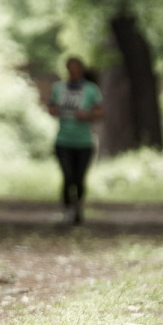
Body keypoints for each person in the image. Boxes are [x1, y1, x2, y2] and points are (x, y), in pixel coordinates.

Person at [48, 57, 103, 224]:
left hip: (84, 142)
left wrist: (87, 115)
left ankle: (78, 207)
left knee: (79, 178)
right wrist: (55, 111)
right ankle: (67, 208)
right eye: (70, 69)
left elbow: (101, 112)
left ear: (81, 70)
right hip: (63, 141)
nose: (73, 72)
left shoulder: (91, 90)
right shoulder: (58, 88)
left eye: (75, 69)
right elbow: (51, 108)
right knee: (68, 176)